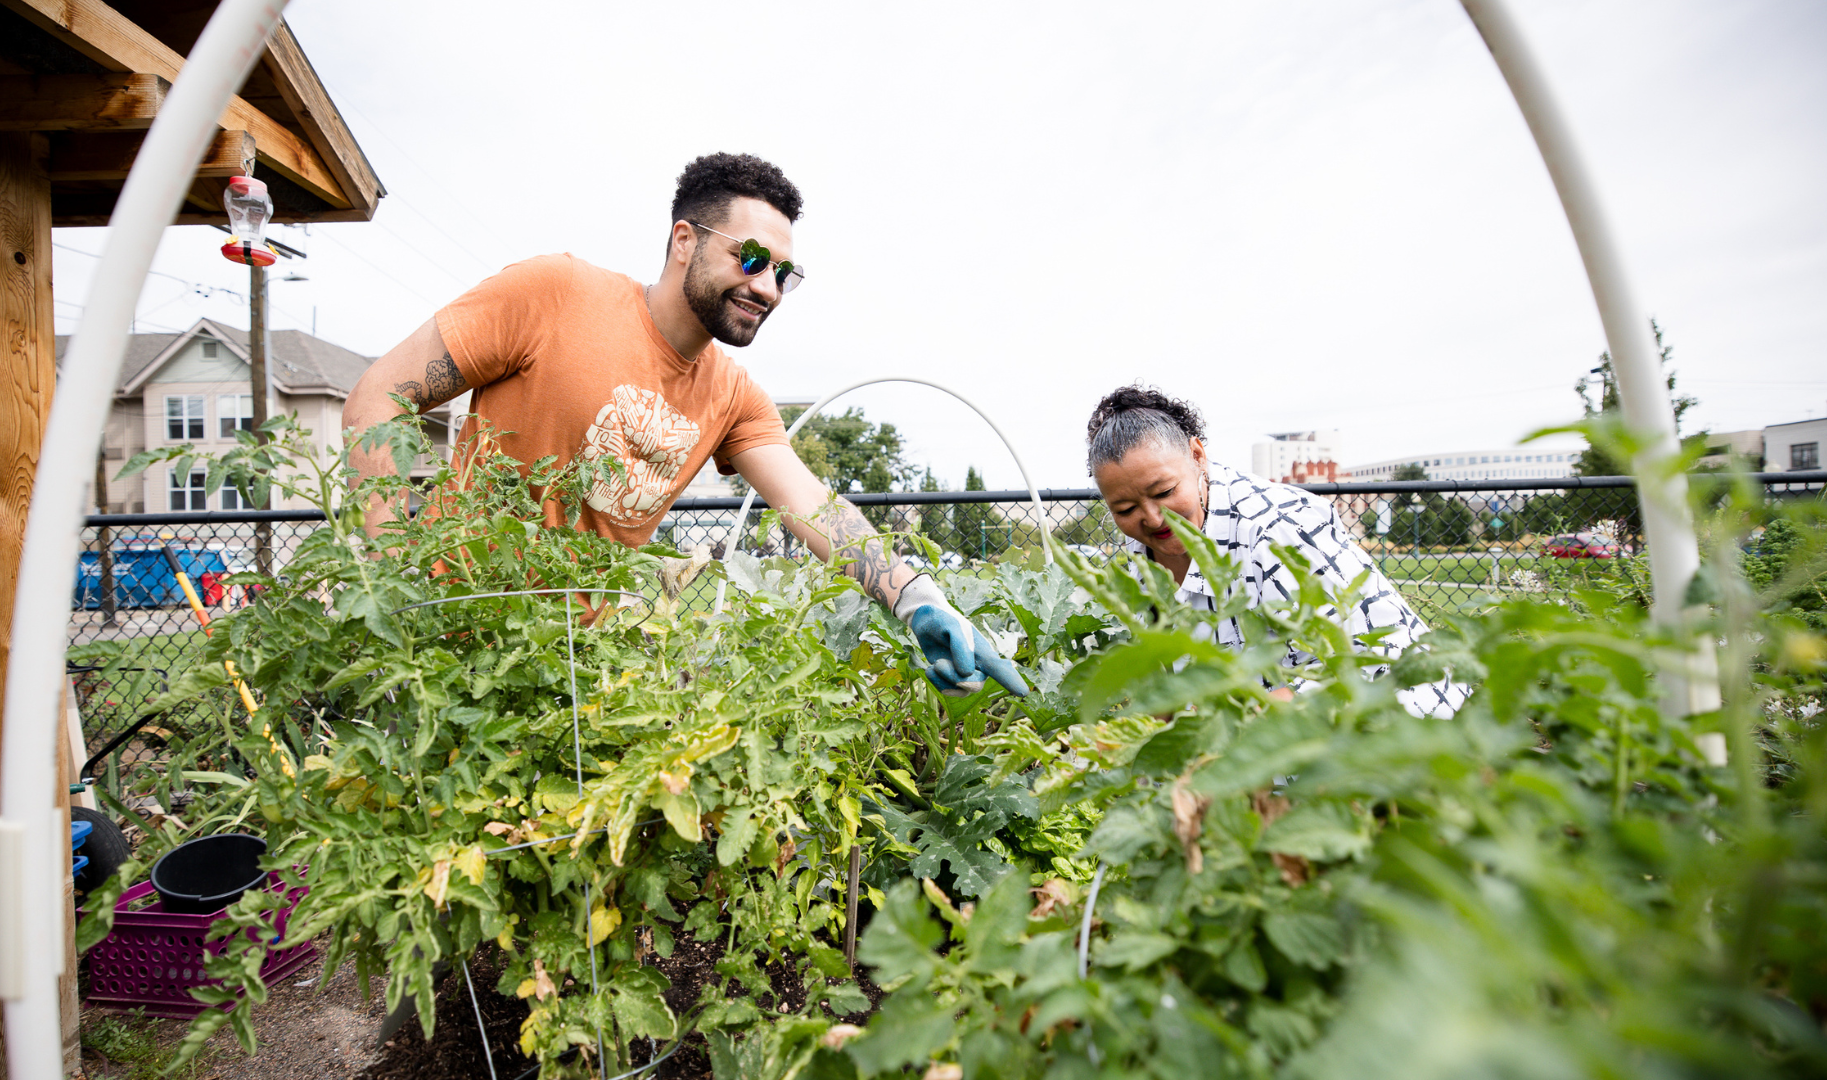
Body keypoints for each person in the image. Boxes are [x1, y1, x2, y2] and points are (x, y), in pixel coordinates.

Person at [343, 153, 1024, 697]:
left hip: (572, 684)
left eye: (785, 274)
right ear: (683, 241)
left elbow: (812, 505)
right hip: (438, 656)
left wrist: (916, 599)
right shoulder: (554, 294)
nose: (767, 287)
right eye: (750, 258)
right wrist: (393, 592)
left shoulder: (733, 397)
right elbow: (380, 397)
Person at [1085, 386, 1464, 717]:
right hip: (1271, 741)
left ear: (1197, 455)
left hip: (1396, 722)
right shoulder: (1140, 559)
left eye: (1165, 492)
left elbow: (1353, 669)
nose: (1152, 518)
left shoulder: (1275, 526)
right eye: (1126, 509)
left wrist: (1225, 730)